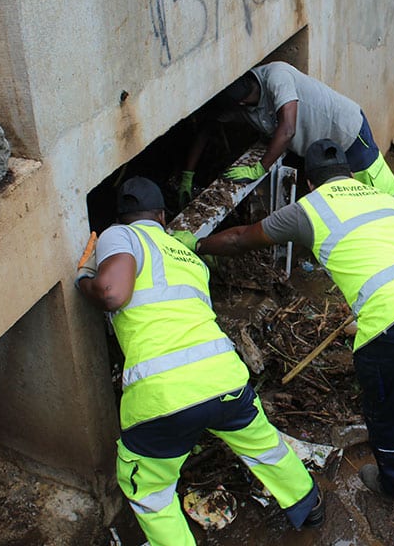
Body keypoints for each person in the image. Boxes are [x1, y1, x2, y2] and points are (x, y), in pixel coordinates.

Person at [193, 140, 394, 507]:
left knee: (387, 410)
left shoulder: (308, 209)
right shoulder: (383, 198)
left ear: (309, 182)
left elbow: (241, 239)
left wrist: (193, 245)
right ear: (351, 175)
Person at [75, 177, 322, 546]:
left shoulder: (120, 235)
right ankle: (309, 505)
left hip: (163, 396)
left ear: (124, 217)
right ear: (161, 215)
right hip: (225, 380)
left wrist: (84, 277)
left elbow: (112, 292)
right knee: (263, 446)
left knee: (149, 488)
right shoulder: (188, 257)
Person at [178, 61, 394, 213]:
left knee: (376, 190)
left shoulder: (277, 76)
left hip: (347, 132)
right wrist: (188, 174)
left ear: (241, 100)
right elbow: (207, 128)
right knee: (336, 202)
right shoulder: (236, 102)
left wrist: (260, 168)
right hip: (315, 149)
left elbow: (288, 129)